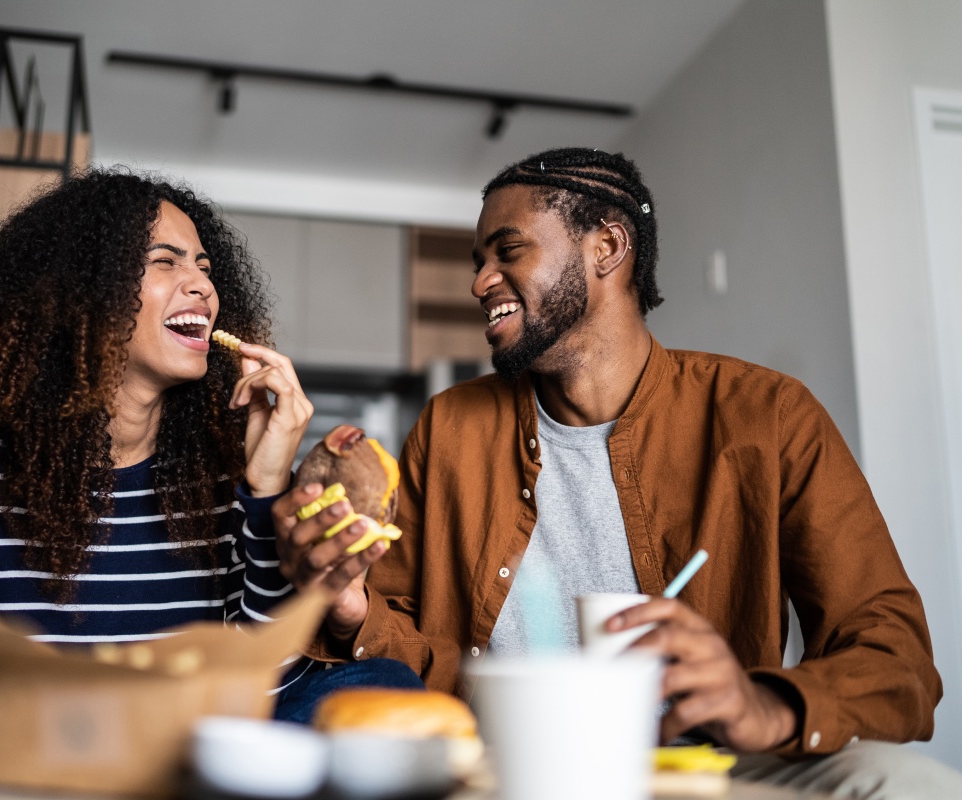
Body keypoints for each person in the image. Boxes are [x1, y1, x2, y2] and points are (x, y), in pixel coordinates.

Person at [274, 148, 962, 796]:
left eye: (507, 251)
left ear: (606, 247)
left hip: (701, 759)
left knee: (908, 784)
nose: (480, 282)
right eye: (478, 260)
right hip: (499, 756)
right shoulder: (450, 425)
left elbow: (893, 654)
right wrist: (350, 601)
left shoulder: (768, 415)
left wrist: (765, 706)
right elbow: (404, 652)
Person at [0, 171, 419, 800]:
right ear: (86, 294)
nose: (202, 285)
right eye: (165, 261)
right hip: (45, 760)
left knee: (380, 686)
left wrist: (267, 484)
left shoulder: (221, 466)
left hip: (190, 759)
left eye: (204, 266)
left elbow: (265, 686)